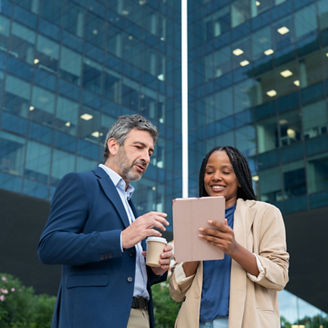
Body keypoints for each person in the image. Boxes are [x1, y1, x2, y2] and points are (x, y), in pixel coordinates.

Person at [38, 114, 173, 328]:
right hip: (95, 317)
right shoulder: (82, 183)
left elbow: (125, 270)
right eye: (138, 147)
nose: (146, 157)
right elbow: (49, 246)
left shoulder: (128, 202)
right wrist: (121, 238)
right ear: (113, 145)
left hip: (141, 316)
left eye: (150, 152)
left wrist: (155, 271)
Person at [169, 146, 289, 328]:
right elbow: (176, 291)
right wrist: (197, 249)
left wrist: (234, 249)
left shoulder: (265, 214)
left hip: (247, 321)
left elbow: (279, 276)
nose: (216, 177)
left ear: (239, 180)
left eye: (226, 172)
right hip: (196, 322)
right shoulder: (192, 217)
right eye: (209, 172)